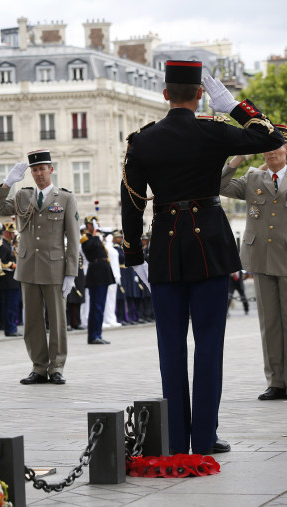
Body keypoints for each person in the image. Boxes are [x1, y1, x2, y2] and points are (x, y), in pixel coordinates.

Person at [121, 62, 284, 455]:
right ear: (200, 95)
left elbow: (132, 203)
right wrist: (235, 106)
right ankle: (204, 436)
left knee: (169, 348)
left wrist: (134, 253)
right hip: (210, 246)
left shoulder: (142, 140)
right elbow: (272, 137)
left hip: (165, 250)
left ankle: (177, 437)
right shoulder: (213, 131)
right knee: (209, 345)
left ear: (164, 94)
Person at [0, 149, 79, 385]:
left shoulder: (65, 198)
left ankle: (57, 366)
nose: (39, 173)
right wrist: (8, 183)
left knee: (58, 320)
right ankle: (39, 367)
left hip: (55, 268)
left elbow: (73, 238)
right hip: (29, 265)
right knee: (32, 321)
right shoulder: (22, 196)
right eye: (35, 170)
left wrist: (71, 272)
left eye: (42, 169)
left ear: (51, 169)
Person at [220, 126, 287, 400]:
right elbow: (219, 185)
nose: (271, 151)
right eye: (267, 146)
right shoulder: (252, 177)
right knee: (269, 323)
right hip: (261, 258)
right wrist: (237, 157)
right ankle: (276, 381)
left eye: (277, 145)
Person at [80, 216, 114, 344]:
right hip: (96, 273)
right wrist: (94, 235)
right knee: (96, 306)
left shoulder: (96, 238)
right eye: (93, 224)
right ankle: (93, 336)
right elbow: (89, 250)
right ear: (88, 225)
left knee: (101, 305)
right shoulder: (86, 238)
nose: (95, 226)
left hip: (103, 272)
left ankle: (98, 334)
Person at [0, 222, 22, 337]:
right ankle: (10, 328)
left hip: (13, 281)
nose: (13, 235)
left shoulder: (9, 245)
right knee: (10, 306)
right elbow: (0, 263)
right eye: (11, 232)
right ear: (7, 232)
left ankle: (12, 327)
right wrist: (12, 265)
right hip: (8, 281)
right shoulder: (3, 246)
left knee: (13, 305)